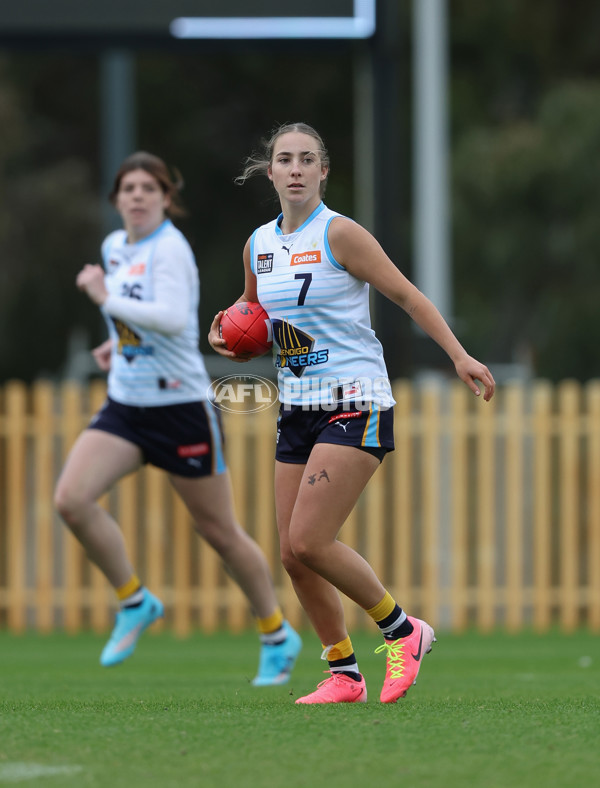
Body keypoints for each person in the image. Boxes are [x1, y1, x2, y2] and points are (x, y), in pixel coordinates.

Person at [208, 123, 495, 704]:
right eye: (284, 159)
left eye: (306, 159)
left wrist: (459, 356)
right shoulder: (257, 244)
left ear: (322, 171)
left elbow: (408, 295)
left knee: (312, 539)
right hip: (298, 406)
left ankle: (403, 631)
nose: (294, 168)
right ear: (270, 173)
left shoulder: (340, 234)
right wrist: (228, 333)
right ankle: (344, 673)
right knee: (292, 553)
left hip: (355, 399)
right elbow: (255, 315)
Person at [54, 151, 301, 685]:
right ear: (116, 199)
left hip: (179, 410)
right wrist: (113, 343)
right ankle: (135, 600)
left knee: (218, 530)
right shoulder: (115, 247)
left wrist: (107, 299)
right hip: (126, 405)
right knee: (71, 500)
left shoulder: (171, 249)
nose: (137, 196)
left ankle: (277, 632)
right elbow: (135, 321)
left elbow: (170, 320)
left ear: (166, 198)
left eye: (148, 188)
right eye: (128, 188)